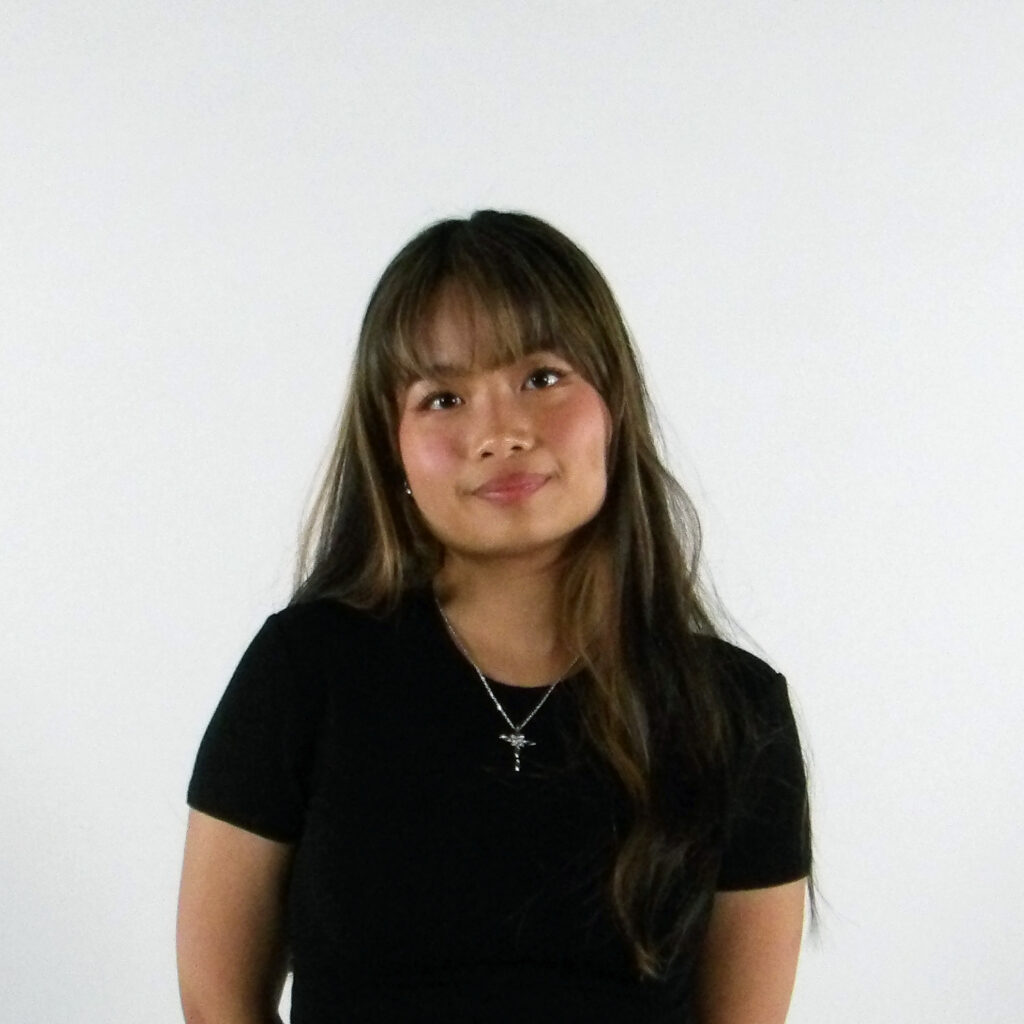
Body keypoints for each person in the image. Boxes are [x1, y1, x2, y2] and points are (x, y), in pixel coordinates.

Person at [176, 210, 813, 1024]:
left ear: (614, 402)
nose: (500, 433)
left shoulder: (736, 711)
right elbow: (216, 1001)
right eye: (442, 397)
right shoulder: (305, 672)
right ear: (392, 449)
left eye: (542, 377)